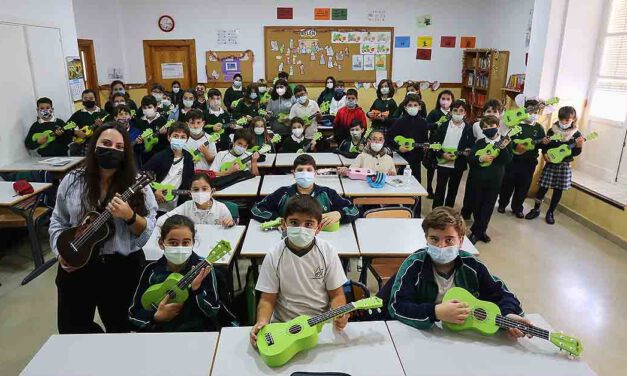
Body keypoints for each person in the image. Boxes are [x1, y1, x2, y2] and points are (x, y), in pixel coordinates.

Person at [49, 122, 157, 334]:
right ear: (94, 146)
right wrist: (60, 252)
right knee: (73, 330)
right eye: (106, 143)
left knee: (123, 329)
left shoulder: (137, 183)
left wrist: (130, 216)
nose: (112, 150)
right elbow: (58, 221)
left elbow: (148, 228)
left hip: (122, 268)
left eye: (119, 147)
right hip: (77, 265)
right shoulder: (72, 180)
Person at [388, 207, 531, 339]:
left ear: (461, 241)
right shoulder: (413, 265)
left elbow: (502, 293)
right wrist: (435, 312)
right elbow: (397, 305)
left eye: (449, 240)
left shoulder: (472, 265)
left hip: (463, 337)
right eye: (434, 239)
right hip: (425, 335)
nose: (441, 246)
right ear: (426, 239)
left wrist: (508, 314)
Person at [250, 195, 349, 347]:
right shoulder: (273, 255)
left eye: (309, 224)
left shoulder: (327, 252)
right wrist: (262, 321)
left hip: (320, 324)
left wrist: (340, 313)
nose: (301, 229)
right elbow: (267, 299)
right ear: (284, 224)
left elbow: (337, 295)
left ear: (319, 228)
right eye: (294, 223)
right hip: (284, 326)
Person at [129, 215, 220, 332]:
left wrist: (196, 290)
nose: (180, 248)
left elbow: (213, 311)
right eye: (173, 243)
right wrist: (156, 317)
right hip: (160, 334)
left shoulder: (202, 269)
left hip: (195, 334)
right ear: (161, 243)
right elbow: (134, 314)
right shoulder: (151, 271)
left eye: (186, 243)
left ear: (193, 242)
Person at [251, 154, 359, 226]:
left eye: (309, 170)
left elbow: (354, 210)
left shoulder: (327, 193)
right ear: (293, 173)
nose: (304, 173)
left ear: (315, 173)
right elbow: (256, 209)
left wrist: (340, 213)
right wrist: (278, 220)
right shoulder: (282, 193)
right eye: (300, 170)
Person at [525, 106, 584, 225]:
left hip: (564, 165)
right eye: (562, 119)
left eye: (567, 120)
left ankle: (550, 212)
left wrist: (578, 146)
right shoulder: (552, 130)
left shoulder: (576, 134)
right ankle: (536, 209)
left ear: (573, 119)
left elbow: (576, 152)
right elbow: (546, 146)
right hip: (551, 163)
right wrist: (545, 154)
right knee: (543, 187)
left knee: (558, 190)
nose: (564, 122)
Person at [498, 99, 548, 218]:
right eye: (530, 111)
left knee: (523, 186)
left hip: (529, 161)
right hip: (513, 160)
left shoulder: (539, 128)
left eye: (535, 112)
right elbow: (506, 138)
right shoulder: (515, 124)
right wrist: (515, 146)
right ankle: (502, 204)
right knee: (507, 183)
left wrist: (544, 142)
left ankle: (517, 208)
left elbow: (539, 144)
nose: (532, 114)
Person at [466, 115, 513, 243]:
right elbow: (470, 158)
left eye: (491, 126)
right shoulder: (480, 143)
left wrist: (503, 149)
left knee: (488, 206)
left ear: (498, 126)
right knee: (477, 205)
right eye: (485, 127)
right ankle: (479, 229)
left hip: (495, 180)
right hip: (478, 180)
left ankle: (478, 232)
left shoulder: (505, 141)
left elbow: (507, 160)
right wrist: (481, 159)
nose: (488, 129)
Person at [461, 99, 503, 218]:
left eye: (494, 111)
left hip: (493, 167)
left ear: (500, 114)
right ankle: (466, 211)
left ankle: (480, 219)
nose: (491, 114)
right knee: (471, 191)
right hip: (478, 162)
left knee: (486, 197)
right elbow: (470, 141)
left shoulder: (502, 128)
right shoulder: (476, 126)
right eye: (488, 111)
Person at [143, 122, 194, 214]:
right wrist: (154, 191)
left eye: (183, 137)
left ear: (187, 140)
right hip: (154, 206)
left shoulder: (189, 158)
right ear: (169, 137)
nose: (179, 139)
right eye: (176, 136)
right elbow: (142, 177)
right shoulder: (159, 157)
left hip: (175, 207)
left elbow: (189, 180)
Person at [432, 100, 474, 209]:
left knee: (453, 189)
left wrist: (466, 152)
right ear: (450, 112)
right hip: (443, 163)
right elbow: (435, 144)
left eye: (461, 111)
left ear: (465, 113)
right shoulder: (443, 126)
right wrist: (442, 154)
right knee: (440, 188)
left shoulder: (468, 129)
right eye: (455, 110)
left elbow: (470, 146)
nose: (458, 113)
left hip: (458, 164)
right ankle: (436, 211)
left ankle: (448, 211)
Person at [155, 173, 234, 229]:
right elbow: (160, 221)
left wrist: (230, 223)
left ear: (212, 191)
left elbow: (231, 227)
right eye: (196, 190)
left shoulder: (221, 208)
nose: (200, 192)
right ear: (190, 193)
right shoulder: (186, 206)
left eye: (204, 189)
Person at [389, 94, 434, 184]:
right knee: (400, 183)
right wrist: (398, 147)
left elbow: (425, 139)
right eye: (410, 105)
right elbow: (389, 137)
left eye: (415, 105)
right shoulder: (400, 121)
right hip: (402, 158)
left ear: (419, 107)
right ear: (405, 107)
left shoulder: (423, 122)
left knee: (416, 182)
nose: (412, 107)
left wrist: (426, 146)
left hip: (416, 158)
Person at [424, 90, 455, 199]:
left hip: (448, 144)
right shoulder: (434, 112)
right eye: (443, 99)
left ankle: (440, 190)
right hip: (434, 143)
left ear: (452, 101)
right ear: (439, 100)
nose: (445, 102)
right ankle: (429, 188)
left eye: (448, 99)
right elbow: (426, 125)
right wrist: (436, 125)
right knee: (431, 168)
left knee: (444, 169)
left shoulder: (454, 114)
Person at [68, 89, 109, 155]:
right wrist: (75, 132)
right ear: (82, 100)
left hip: (101, 144)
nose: (88, 100)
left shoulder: (103, 113)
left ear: (95, 99)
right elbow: (66, 128)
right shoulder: (78, 114)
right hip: (84, 146)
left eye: (91, 98)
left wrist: (102, 126)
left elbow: (111, 129)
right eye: (85, 98)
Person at [134, 95, 168, 164]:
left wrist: (165, 134)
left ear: (155, 108)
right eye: (144, 108)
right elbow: (137, 144)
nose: (147, 109)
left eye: (149, 107)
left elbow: (167, 142)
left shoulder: (163, 121)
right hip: (144, 157)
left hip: (160, 155)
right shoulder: (139, 122)